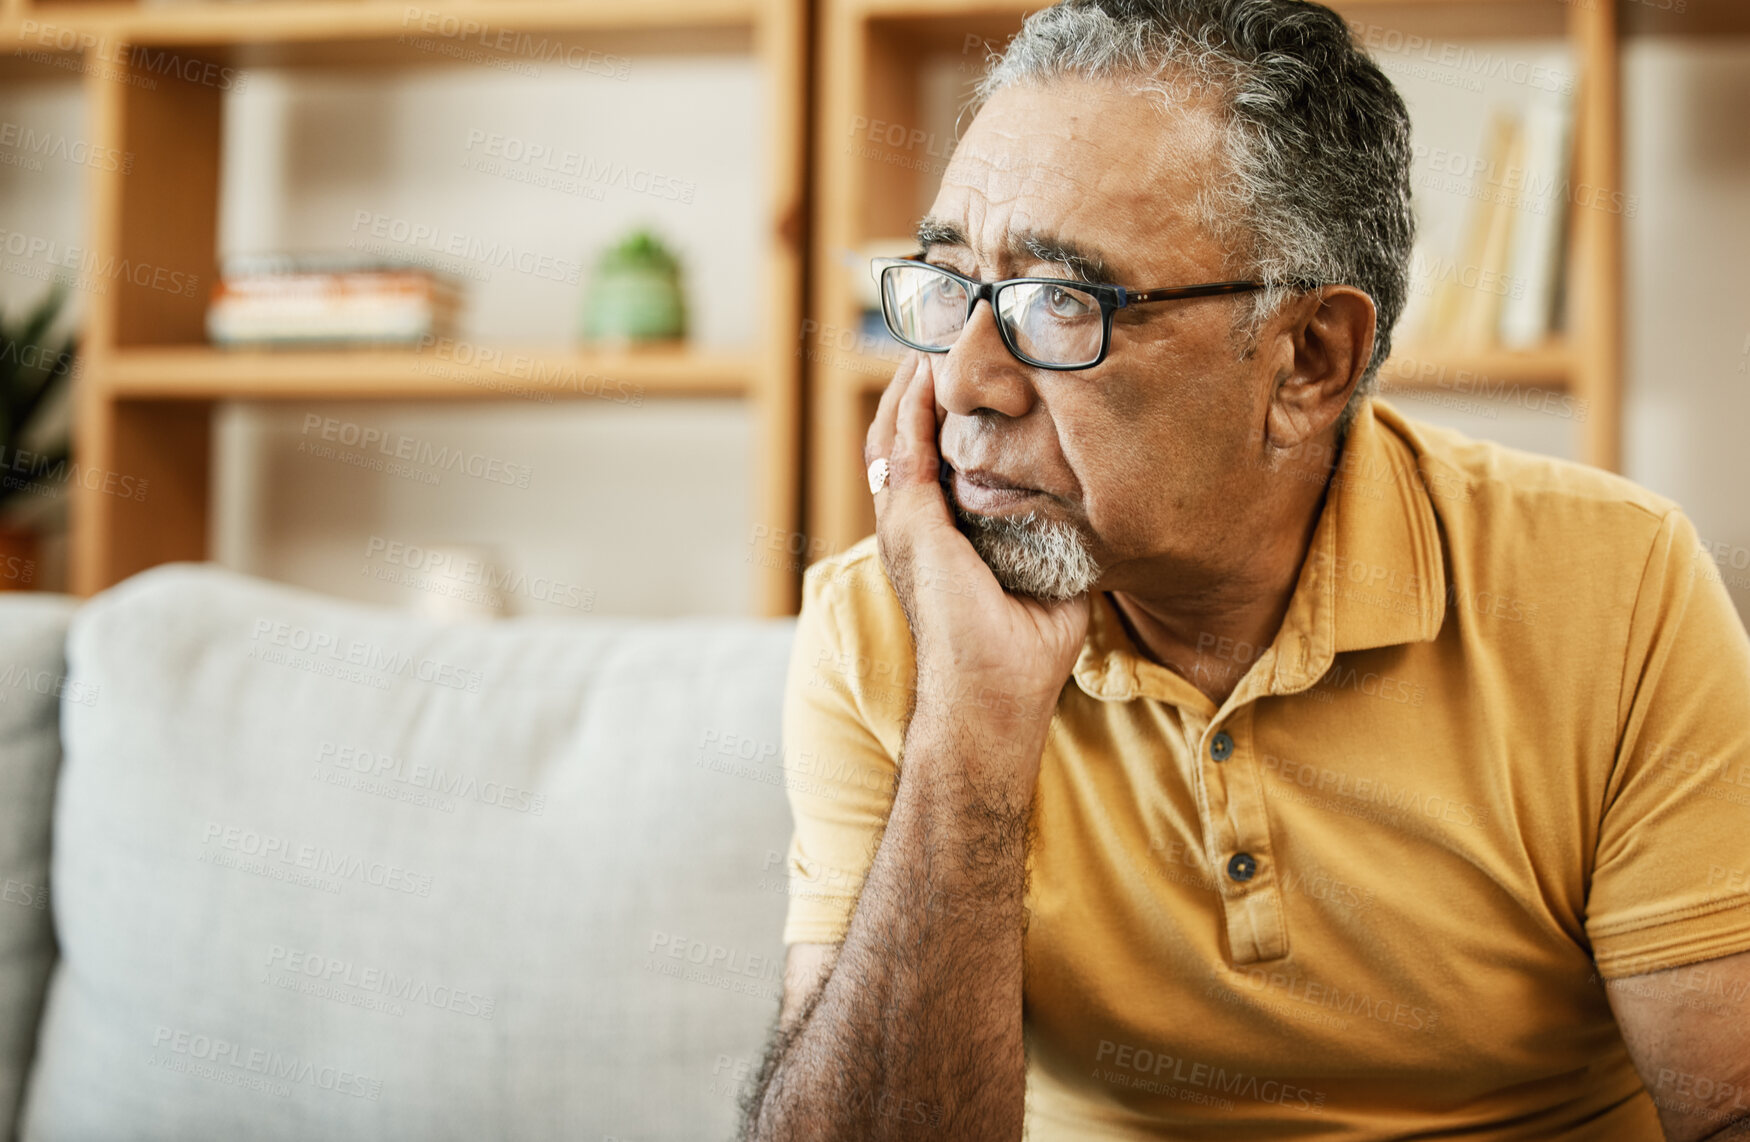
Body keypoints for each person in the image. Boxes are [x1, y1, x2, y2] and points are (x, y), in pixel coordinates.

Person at [741, 1, 1750, 1137]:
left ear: (1309, 359)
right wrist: (970, 727)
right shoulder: (882, 619)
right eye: (948, 282)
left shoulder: (1611, 587)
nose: (965, 379)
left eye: (1059, 300)